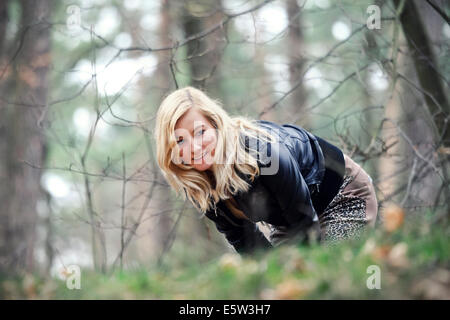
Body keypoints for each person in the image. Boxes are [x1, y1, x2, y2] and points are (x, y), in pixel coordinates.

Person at [154, 86, 378, 254]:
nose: (194, 147)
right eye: (180, 140)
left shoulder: (263, 153)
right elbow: (245, 242)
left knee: (328, 275)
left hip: (342, 196)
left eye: (200, 132)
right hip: (290, 219)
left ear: (216, 124)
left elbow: (304, 224)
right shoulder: (198, 182)